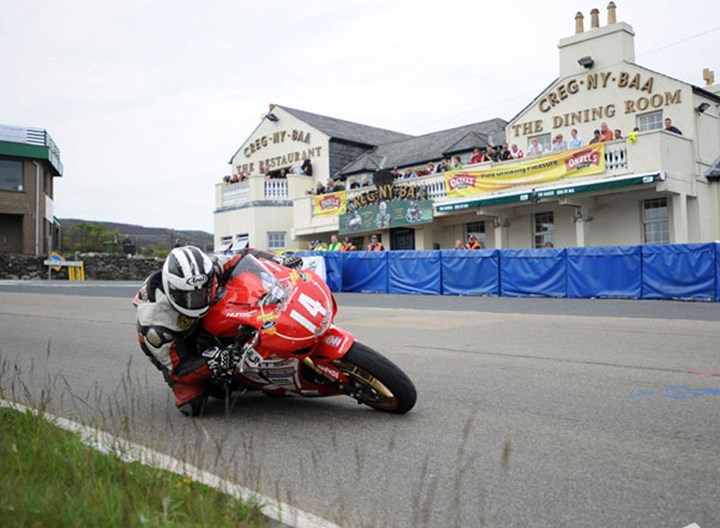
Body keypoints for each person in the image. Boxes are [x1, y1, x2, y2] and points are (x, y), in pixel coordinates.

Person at [133, 246, 303, 416]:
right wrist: (211, 362)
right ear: (173, 291)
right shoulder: (155, 322)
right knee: (193, 405)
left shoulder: (210, 268)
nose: (198, 301)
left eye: (202, 292)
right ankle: (219, 377)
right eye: (189, 297)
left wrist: (277, 260)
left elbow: (244, 255)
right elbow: (180, 369)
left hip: (202, 316)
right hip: (175, 341)